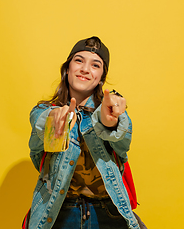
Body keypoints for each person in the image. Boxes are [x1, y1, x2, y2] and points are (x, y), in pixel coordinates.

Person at [28, 36, 140, 229]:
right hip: (58, 214)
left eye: (95, 65)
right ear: (67, 69)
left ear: (101, 78)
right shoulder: (44, 112)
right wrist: (55, 120)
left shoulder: (111, 111)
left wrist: (109, 122)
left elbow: (122, 140)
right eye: (79, 60)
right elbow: (40, 124)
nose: (85, 69)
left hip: (108, 214)